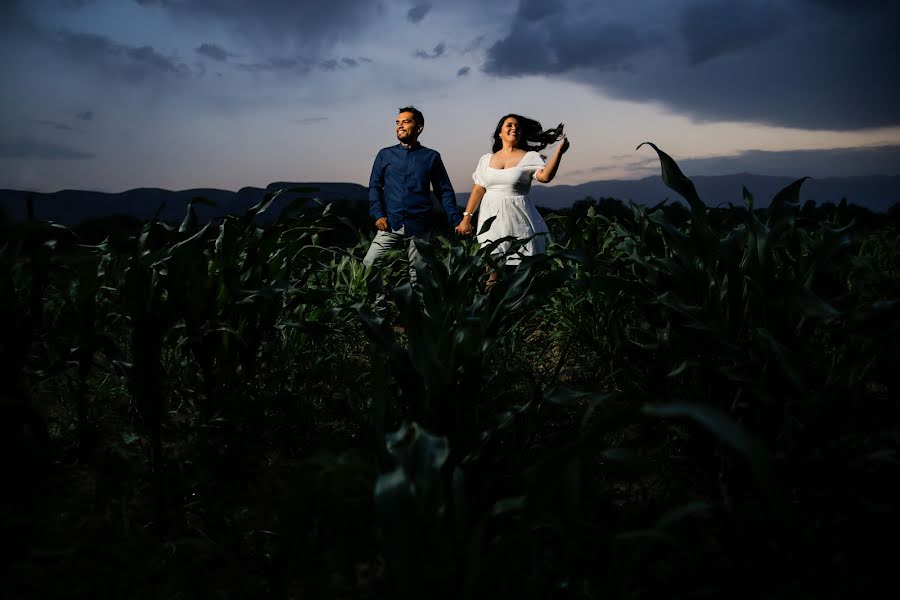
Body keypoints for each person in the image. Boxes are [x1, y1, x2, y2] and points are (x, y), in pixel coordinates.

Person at [363, 106, 462, 315]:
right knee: (370, 262)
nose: (400, 126)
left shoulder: (431, 157)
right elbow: (374, 186)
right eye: (398, 122)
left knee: (419, 275)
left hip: (420, 225)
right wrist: (378, 214)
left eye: (406, 122)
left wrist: (456, 219)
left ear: (419, 127)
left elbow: (444, 190)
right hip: (390, 223)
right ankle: (379, 312)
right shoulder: (385, 155)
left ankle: (423, 320)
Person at [455, 114, 569, 281]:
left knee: (522, 273)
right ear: (499, 133)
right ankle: (491, 306)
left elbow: (544, 177)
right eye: (509, 125)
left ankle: (522, 306)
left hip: (519, 219)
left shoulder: (530, 156)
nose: (514, 128)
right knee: (492, 271)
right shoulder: (486, 160)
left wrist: (559, 152)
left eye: (517, 126)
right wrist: (467, 218)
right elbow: (479, 188)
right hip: (491, 221)